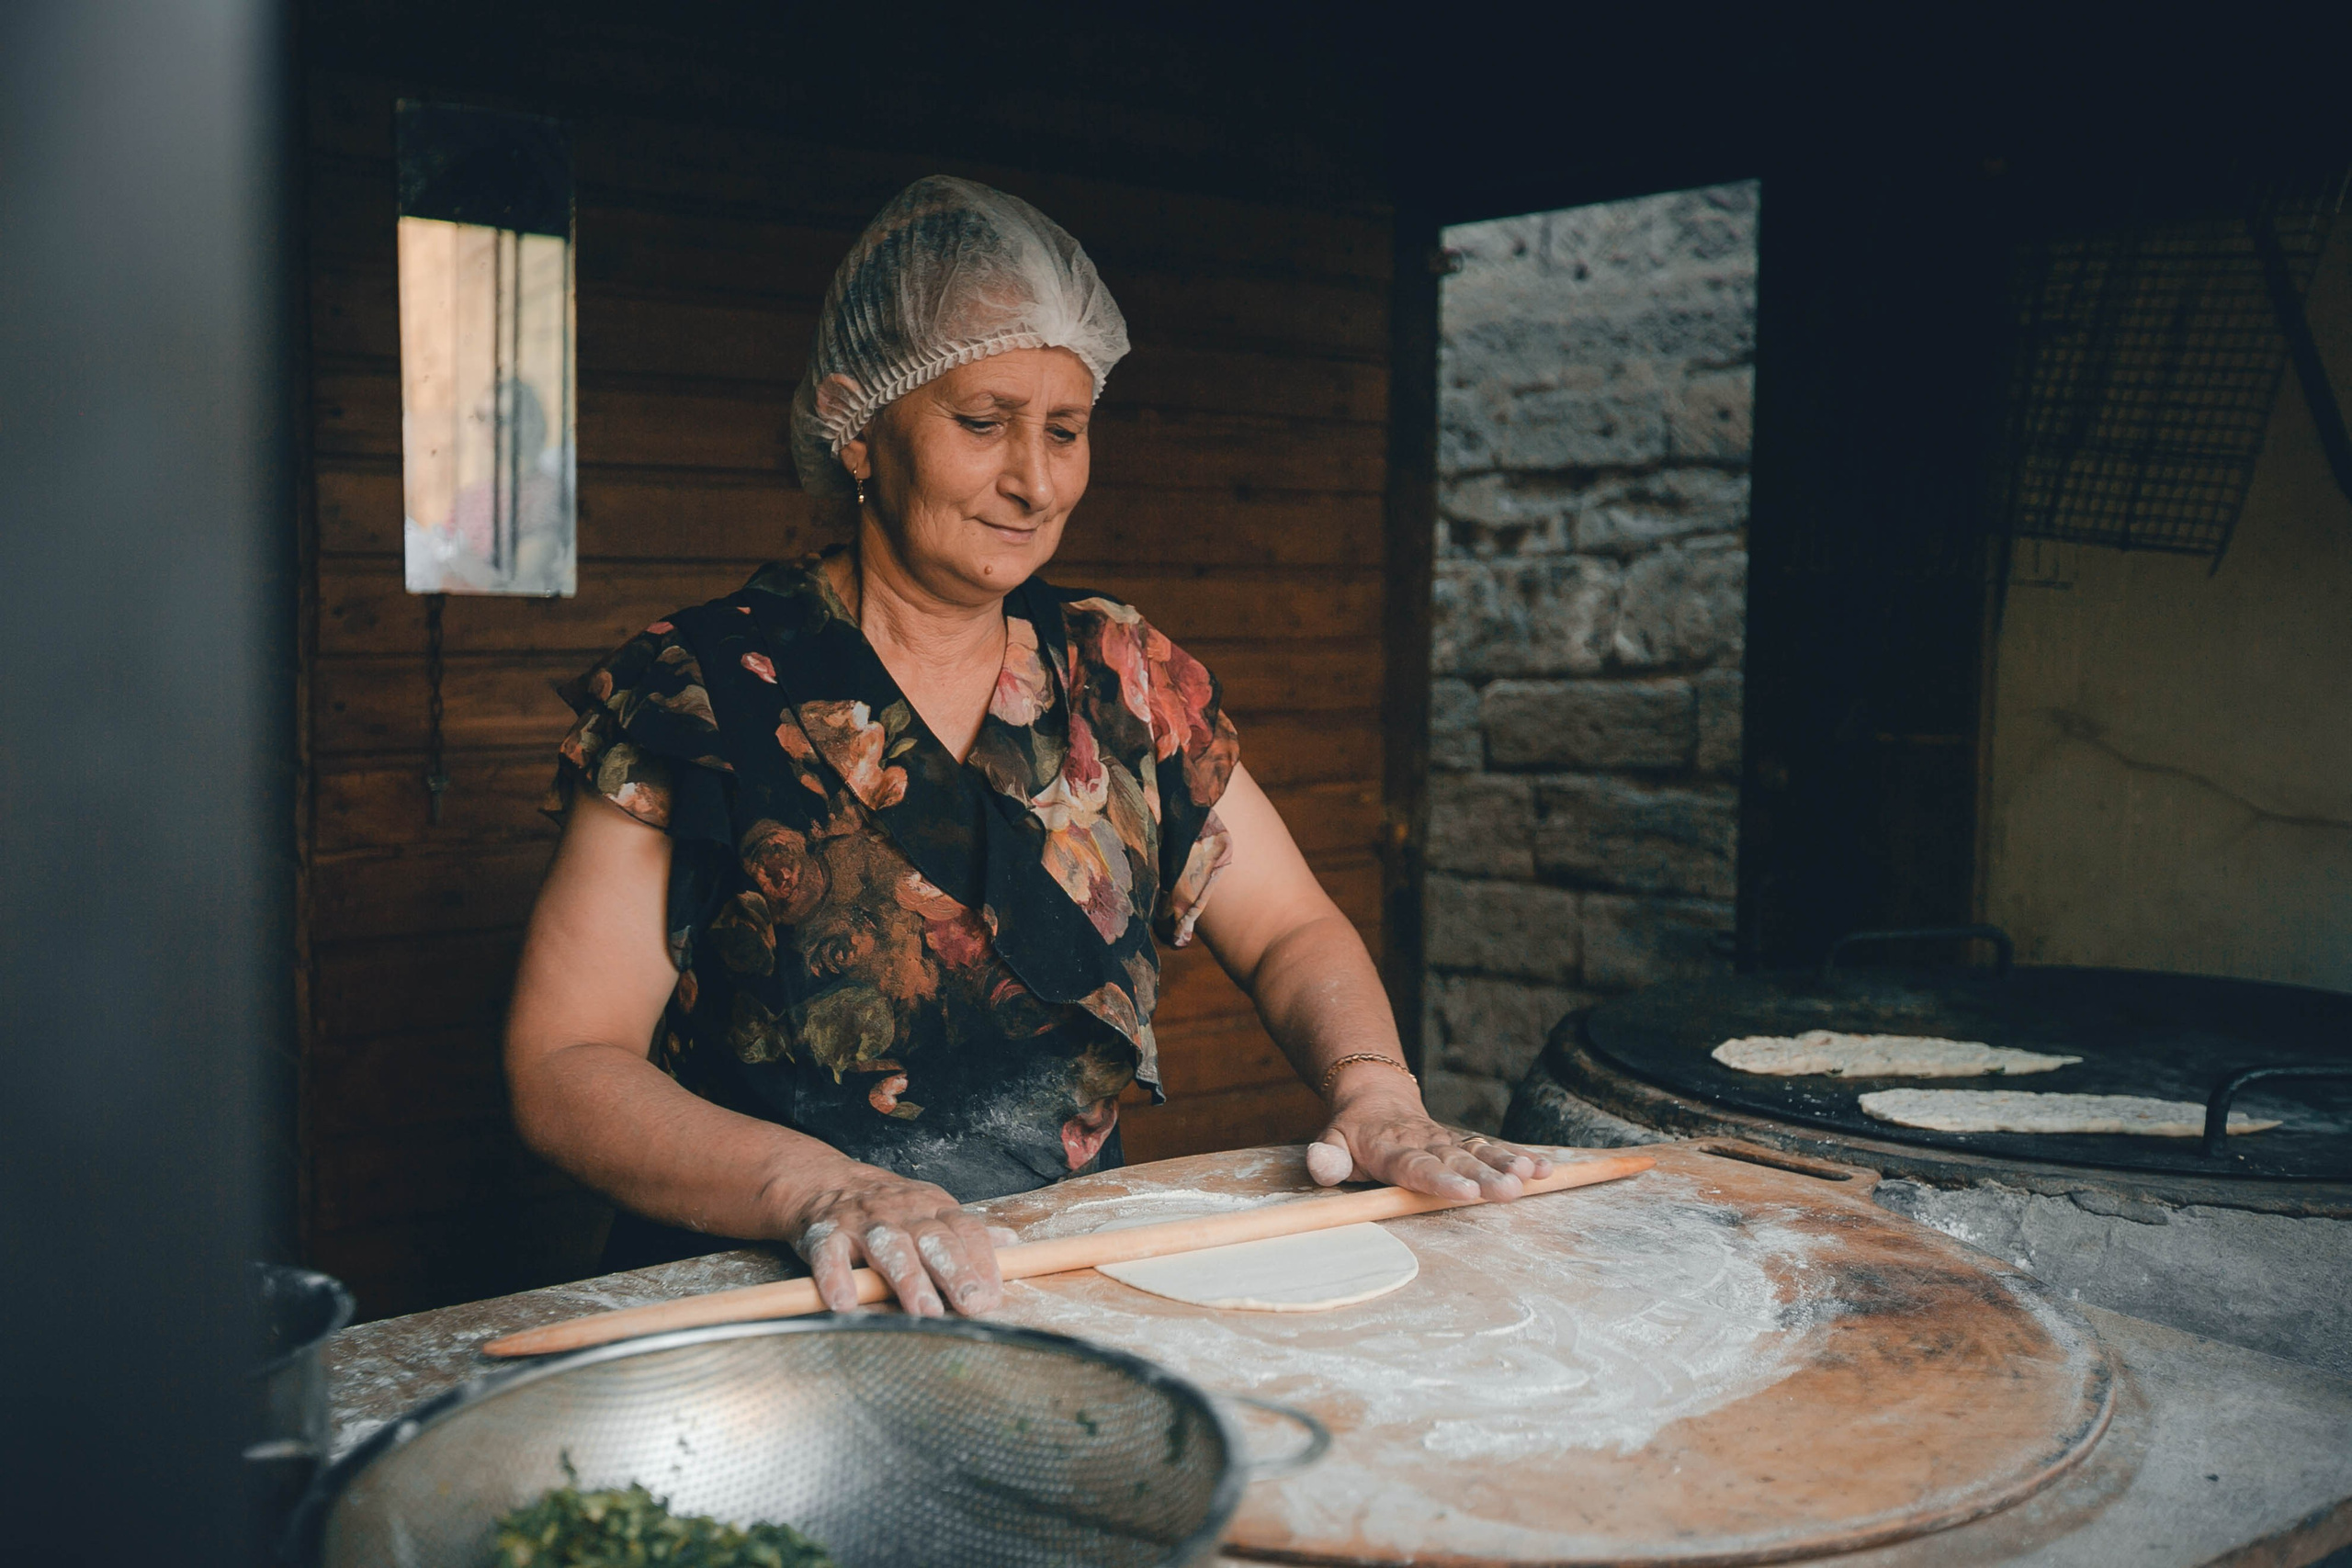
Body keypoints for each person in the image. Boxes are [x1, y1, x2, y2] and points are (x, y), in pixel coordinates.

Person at [505, 175, 1553, 1319]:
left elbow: (1292, 925)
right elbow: (565, 1064)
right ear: (858, 426)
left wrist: (1377, 1091)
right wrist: (823, 1188)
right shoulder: (701, 692)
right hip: (767, 1303)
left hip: (1039, 1294)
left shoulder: (1122, 677)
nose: (1036, 481)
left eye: (1065, 430)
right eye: (982, 422)